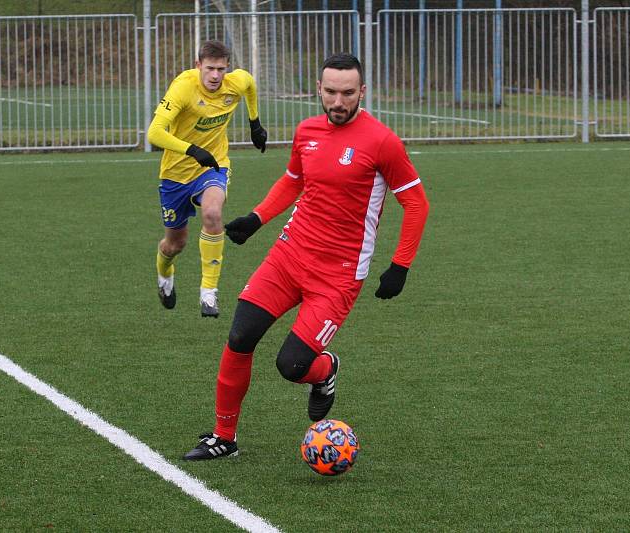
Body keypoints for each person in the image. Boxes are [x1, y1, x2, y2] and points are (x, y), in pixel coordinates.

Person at [183, 53, 430, 460]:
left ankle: (325, 370)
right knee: (240, 337)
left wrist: (400, 265)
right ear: (319, 89)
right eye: (330, 92)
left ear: (361, 92)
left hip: (338, 275)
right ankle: (223, 437)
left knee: (292, 366)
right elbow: (293, 181)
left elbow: (416, 203)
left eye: (347, 93)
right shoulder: (307, 130)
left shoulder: (382, 141)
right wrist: (257, 218)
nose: (338, 101)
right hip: (290, 254)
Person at [147, 40, 267, 318]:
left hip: (213, 166)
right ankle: (164, 273)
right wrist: (191, 150)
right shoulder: (183, 87)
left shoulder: (234, 83)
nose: (215, 76)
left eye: (221, 69)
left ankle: (208, 292)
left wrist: (255, 123)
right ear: (198, 65)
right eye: (210, 68)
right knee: (175, 244)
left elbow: (249, 84)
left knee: (213, 213)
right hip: (175, 173)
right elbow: (154, 133)